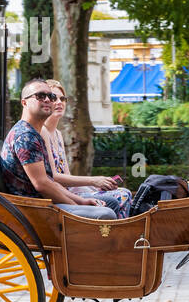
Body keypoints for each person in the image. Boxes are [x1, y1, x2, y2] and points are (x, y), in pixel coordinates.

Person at [0, 78, 115, 220]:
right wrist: (77, 205)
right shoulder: (25, 136)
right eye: (40, 96)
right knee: (106, 213)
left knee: (110, 203)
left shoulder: (33, 133)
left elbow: (50, 182)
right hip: (34, 209)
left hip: (44, 203)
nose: (48, 100)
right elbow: (42, 185)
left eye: (51, 96)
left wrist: (81, 201)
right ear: (24, 102)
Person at [42, 79, 133, 217]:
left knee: (124, 192)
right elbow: (54, 177)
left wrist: (94, 186)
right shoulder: (42, 132)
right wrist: (93, 180)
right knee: (121, 196)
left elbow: (66, 176)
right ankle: (116, 234)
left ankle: (120, 232)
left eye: (63, 98)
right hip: (60, 195)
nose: (59, 102)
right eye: (54, 98)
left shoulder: (58, 134)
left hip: (70, 190)